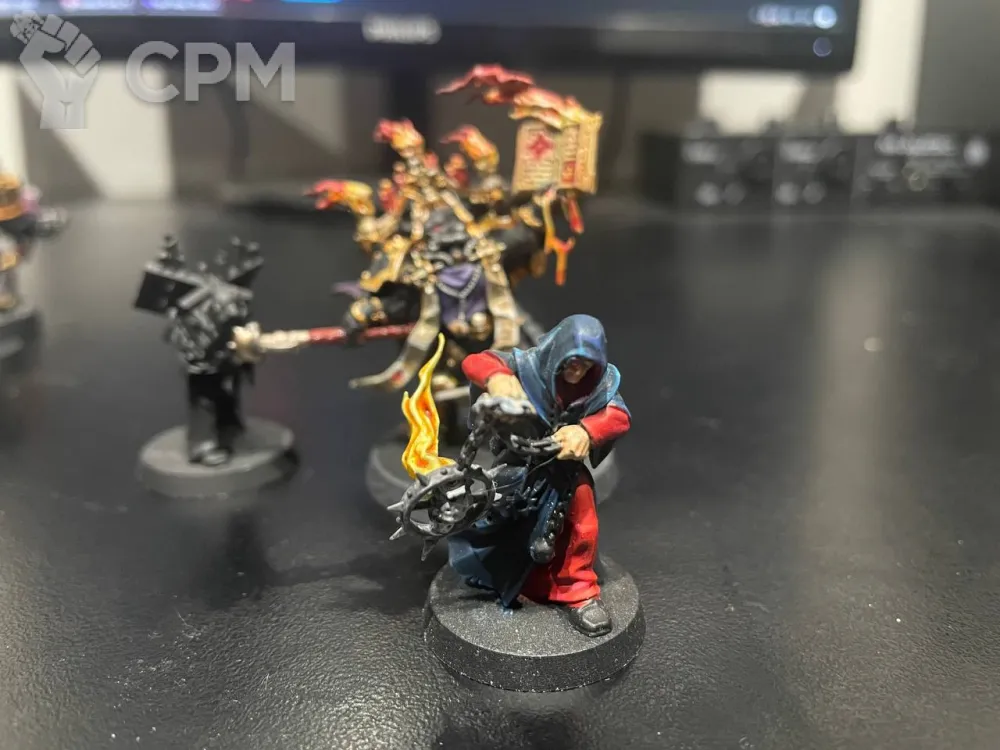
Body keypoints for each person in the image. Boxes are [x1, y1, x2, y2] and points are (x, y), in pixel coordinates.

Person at [458, 313, 630, 636]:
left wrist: (586, 431)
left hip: (563, 469)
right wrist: (497, 378)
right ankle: (496, 574)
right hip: (519, 463)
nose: (576, 371)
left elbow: (618, 416)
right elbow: (476, 361)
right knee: (495, 519)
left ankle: (578, 592)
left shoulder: (600, 385)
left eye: (585, 365)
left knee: (582, 522)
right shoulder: (527, 366)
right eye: (572, 362)